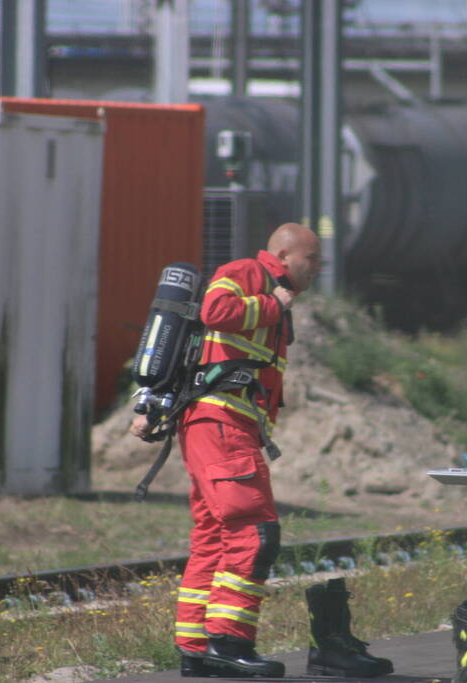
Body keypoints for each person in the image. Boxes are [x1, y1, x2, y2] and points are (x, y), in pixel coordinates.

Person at [131, 222, 321, 677]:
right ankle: (229, 643)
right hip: (221, 424)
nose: (317, 268)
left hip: (219, 427)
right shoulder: (249, 273)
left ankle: (196, 648)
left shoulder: (270, 288)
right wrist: (272, 304)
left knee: (215, 537)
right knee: (253, 532)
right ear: (284, 254)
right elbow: (216, 310)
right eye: (312, 259)